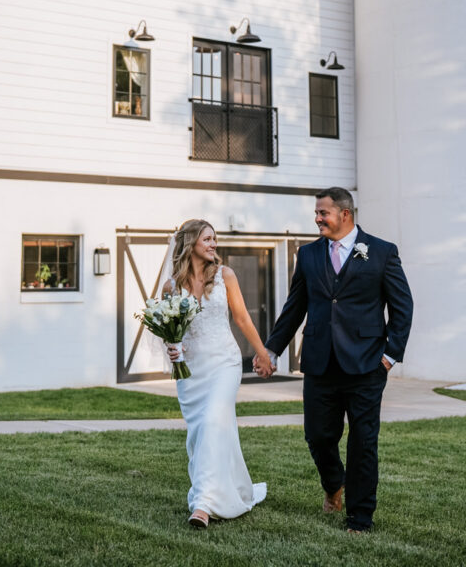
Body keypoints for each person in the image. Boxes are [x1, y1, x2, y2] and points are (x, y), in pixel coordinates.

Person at [258, 187, 413, 533]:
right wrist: (271, 349)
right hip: (319, 363)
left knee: (363, 441)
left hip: (367, 366)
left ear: (345, 214)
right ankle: (333, 483)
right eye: (316, 213)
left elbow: (402, 307)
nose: (317, 219)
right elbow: (295, 307)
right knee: (318, 436)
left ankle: (360, 517)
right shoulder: (309, 254)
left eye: (322, 213)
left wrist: (389, 357)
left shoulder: (382, 252)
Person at [161, 218, 271, 528]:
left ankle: (203, 504)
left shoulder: (226, 275)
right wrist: (173, 348)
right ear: (190, 243)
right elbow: (170, 329)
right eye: (207, 239)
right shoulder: (172, 286)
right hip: (191, 371)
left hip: (224, 363)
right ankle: (233, 488)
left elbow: (242, 318)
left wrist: (262, 354)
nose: (214, 244)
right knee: (203, 433)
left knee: (212, 421)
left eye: (214, 239)